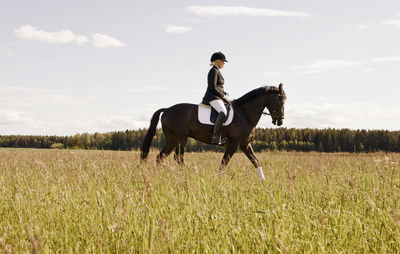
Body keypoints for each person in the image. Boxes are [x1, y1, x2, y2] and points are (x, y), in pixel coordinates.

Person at [202, 52, 232, 145]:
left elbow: (219, 87)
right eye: (223, 61)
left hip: (217, 96)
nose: (224, 63)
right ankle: (215, 136)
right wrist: (223, 96)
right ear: (218, 61)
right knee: (223, 112)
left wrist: (225, 94)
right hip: (212, 97)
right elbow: (213, 87)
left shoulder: (217, 71)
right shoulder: (213, 71)